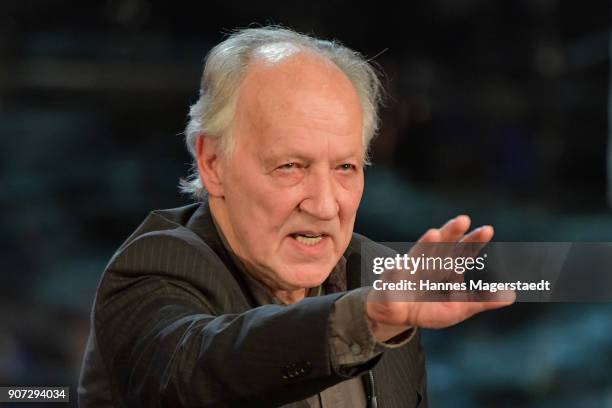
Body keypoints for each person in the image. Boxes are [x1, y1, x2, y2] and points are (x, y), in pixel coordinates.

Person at [78, 26, 513, 407]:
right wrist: (369, 319)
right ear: (213, 162)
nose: (324, 205)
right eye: (290, 166)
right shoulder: (156, 267)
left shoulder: (379, 283)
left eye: (345, 168)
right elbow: (195, 372)